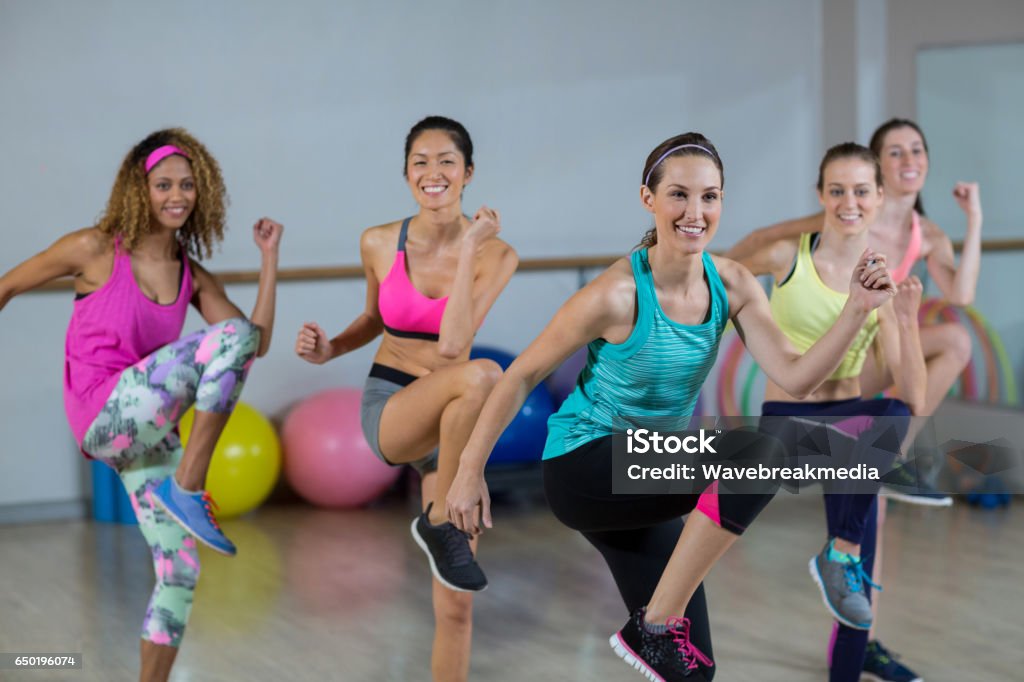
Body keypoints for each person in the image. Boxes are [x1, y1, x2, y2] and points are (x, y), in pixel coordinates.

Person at [444, 133, 896, 681]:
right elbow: (520, 376)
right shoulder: (616, 294)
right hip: (583, 464)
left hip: (645, 473)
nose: (695, 212)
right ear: (648, 199)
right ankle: (655, 623)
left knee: (693, 672)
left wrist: (855, 311)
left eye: (710, 197)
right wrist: (469, 471)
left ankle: (657, 626)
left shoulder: (731, 284)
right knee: (763, 448)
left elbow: (796, 377)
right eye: (679, 195)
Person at [0, 128, 282, 682]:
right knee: (230, 339)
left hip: (148, 433)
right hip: (101, 412)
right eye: (162, 185)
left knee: (179, 572)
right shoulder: (96, 248)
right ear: (139, 189)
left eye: (186, 185)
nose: (176, 196)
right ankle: (190, 486)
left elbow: (254, 343)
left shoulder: (191, 274)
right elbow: (6, 286)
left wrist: (269, 260)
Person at [295, 115, 517, 682]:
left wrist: (469, 248)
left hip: (454, 427)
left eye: (447, 161)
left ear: (468, 173)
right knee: (483, 374)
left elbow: (453, 343)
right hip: (393, 404)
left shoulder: (498, 255)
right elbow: (379, 320)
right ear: (406, 174)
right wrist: (332, 349)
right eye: (420, 161)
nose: (433, 172)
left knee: (457, 602)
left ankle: (443, 517)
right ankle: (442, 516)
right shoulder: (377, 241)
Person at [730, 142, 927, 682]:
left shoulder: (879, 279)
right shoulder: (784, 256)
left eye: (862, 190)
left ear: (879, 196)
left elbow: (915, 398)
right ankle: (840, 554)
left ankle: (840, 560)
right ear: (819, 195)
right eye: (836, 190)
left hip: (852, 425)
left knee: (857, 552)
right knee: (860, 489)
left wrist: (906, 320)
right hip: (787, 424)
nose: (850, 201)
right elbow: (718, 269)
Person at [728, 118, 983, 507]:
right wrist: (705, 281)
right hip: (818, 358)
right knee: (743, 496)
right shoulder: (847, 213)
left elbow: (961, 294)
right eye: (895, 152)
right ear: (878, 166)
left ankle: (891, 460)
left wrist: (975, 217)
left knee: (955, 341)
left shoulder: (926, 234)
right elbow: (765, 239)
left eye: (916, 150)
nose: (908, 159)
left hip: (867, 347)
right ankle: (881, 461)